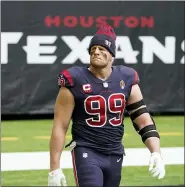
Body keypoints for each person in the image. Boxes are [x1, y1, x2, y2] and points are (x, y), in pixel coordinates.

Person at [48, 25, 165, 187]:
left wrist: (156, 152)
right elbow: (60, 126)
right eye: (93, 48)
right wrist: (54, 168)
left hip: (115, 152)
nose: (96, 51)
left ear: (112, 55)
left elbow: (143, 120)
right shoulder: (75, 79)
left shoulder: (127, 78)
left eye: (102, 48)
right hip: (86, 150)